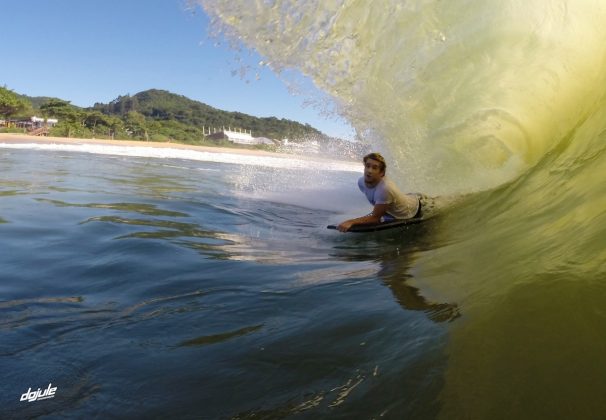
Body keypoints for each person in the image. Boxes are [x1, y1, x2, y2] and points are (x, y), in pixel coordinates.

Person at [337, 152, 425, 232]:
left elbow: (375, 218)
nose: (369, 170)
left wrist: (351, 222)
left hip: (416, 208)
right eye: (367, 166)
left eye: (374, 168)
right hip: (406, 200)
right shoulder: (361, 182)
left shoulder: (384, 189)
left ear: (382, 173)